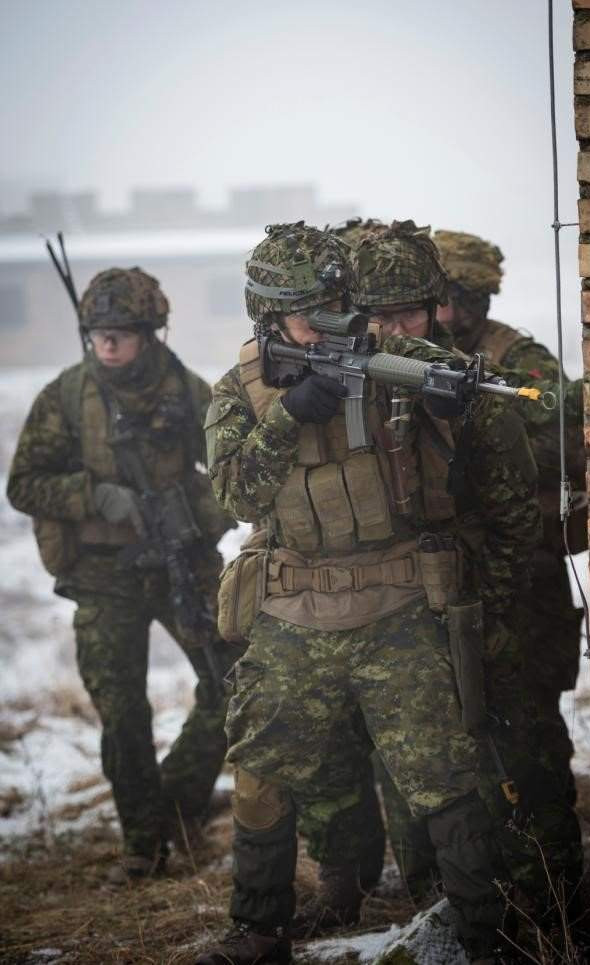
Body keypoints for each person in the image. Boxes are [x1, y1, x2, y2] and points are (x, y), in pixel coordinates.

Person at [198, 221, 542, 964]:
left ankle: (487, 929)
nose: (330, 325)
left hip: (394, 604)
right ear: (269, 314)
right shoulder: (242, 390)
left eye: (338, 306)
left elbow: (482, 421)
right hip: (296, 609)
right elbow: (232, 492)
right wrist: (289, 416)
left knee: (446, 773)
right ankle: (259, 928)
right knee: (262, 766)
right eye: (309, 315)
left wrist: (460, 406)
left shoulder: (396, 359)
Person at [7, 267, 235, 882]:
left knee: (235, 677)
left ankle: (179, 801)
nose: (107, 344)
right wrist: (93, 496)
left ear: (151, 333)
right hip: (104, 573)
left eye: (122, 332)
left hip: (180, 561)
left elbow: (235, 475)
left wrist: (194, 514)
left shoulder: (190, 393)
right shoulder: (66, 397)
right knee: (123, 711)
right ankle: (143, 844)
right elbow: (23, 484)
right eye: (98, 333)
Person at [433, 229, 586, 795]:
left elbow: (568, 430)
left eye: (452, 299)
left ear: (476, 301)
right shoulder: (411, 354)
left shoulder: (515, 356)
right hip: (458, 567)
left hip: (528, 565)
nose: (442, 313)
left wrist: (489, 413)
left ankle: (549, 863)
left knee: (531, 723)